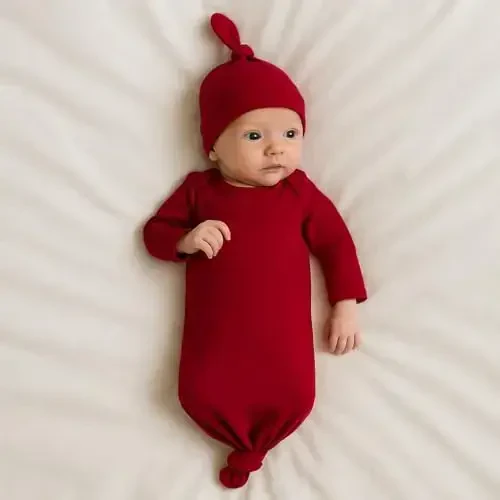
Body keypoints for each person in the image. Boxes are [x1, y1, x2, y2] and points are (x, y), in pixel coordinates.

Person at [143, 12, 367, 489]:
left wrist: (344, 305)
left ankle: (253, 446)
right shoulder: (200, 191)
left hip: (283, 348)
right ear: (213, 148)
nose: (275, 149)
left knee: (292, 388)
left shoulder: (300, 193)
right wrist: (185, 239)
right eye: (254, 136)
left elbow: (335, 243)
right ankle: (238, 443)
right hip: (217, 341)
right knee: (203, 386)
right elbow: (154, 234)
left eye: (290, 135)